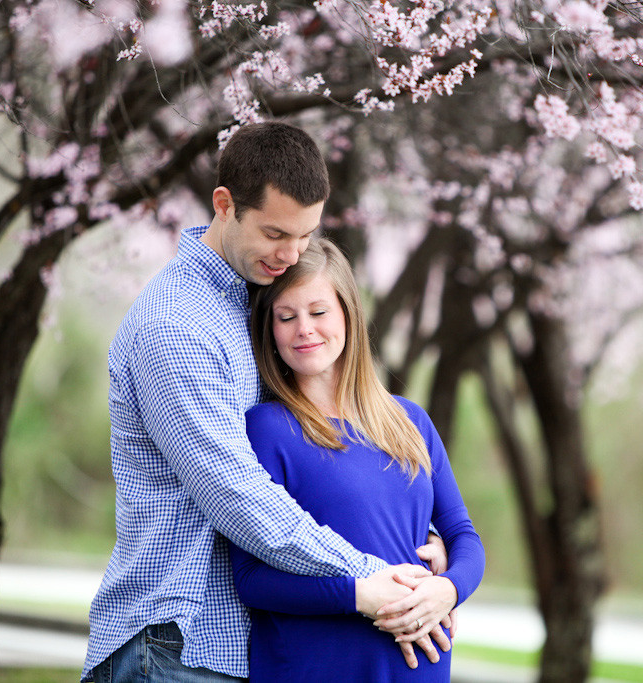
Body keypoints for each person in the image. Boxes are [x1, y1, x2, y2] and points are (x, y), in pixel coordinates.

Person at [83, 122, 453, 683]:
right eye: (276, 233)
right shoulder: (178, 328)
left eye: (305, 236)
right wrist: (380, 580)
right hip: (174, 642)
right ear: (225, 205)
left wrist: (415, 543)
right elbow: (238, 495)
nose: (291, 253)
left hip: (229, 649)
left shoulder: (249, 305)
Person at [228, 238, 485, 681]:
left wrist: (447, 590)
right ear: (270, 331)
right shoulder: (266, 429)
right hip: (314, 668)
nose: (304, 329)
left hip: (416, 668)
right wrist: (357, 595)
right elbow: (251, 578)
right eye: (286, 317)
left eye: (318, 312)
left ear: (348, 314)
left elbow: (464, 536)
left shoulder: (411, 421)